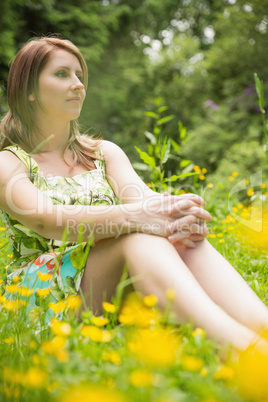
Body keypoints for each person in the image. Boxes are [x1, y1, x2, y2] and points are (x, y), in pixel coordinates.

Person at [0, 35, 267, 352]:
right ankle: (242, 350)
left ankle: (261, 326)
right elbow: (48, 221)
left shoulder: (103, 154)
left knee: (178, 233)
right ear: (28, 90)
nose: (78, 85)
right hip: (44, 293)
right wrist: (138, 217)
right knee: (137, 234)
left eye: (80, 76)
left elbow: (143, 199)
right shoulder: (10, 162)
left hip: (104, 280)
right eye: (62, 74)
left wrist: (179, 212)